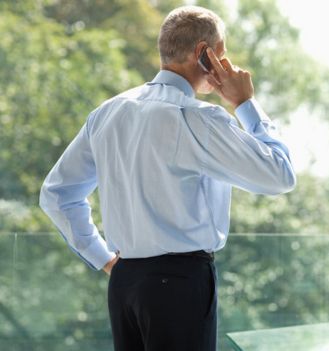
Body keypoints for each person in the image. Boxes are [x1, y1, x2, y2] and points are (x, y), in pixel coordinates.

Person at [39, 5, 296, 351]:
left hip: (124, 284)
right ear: (204, 54)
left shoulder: (107, 113)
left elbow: (57, 195)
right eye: (222, 53)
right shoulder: (197, 118)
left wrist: (103, 259)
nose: (227, 63)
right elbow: (279, 175)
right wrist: (245, 102)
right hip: (179, 285)